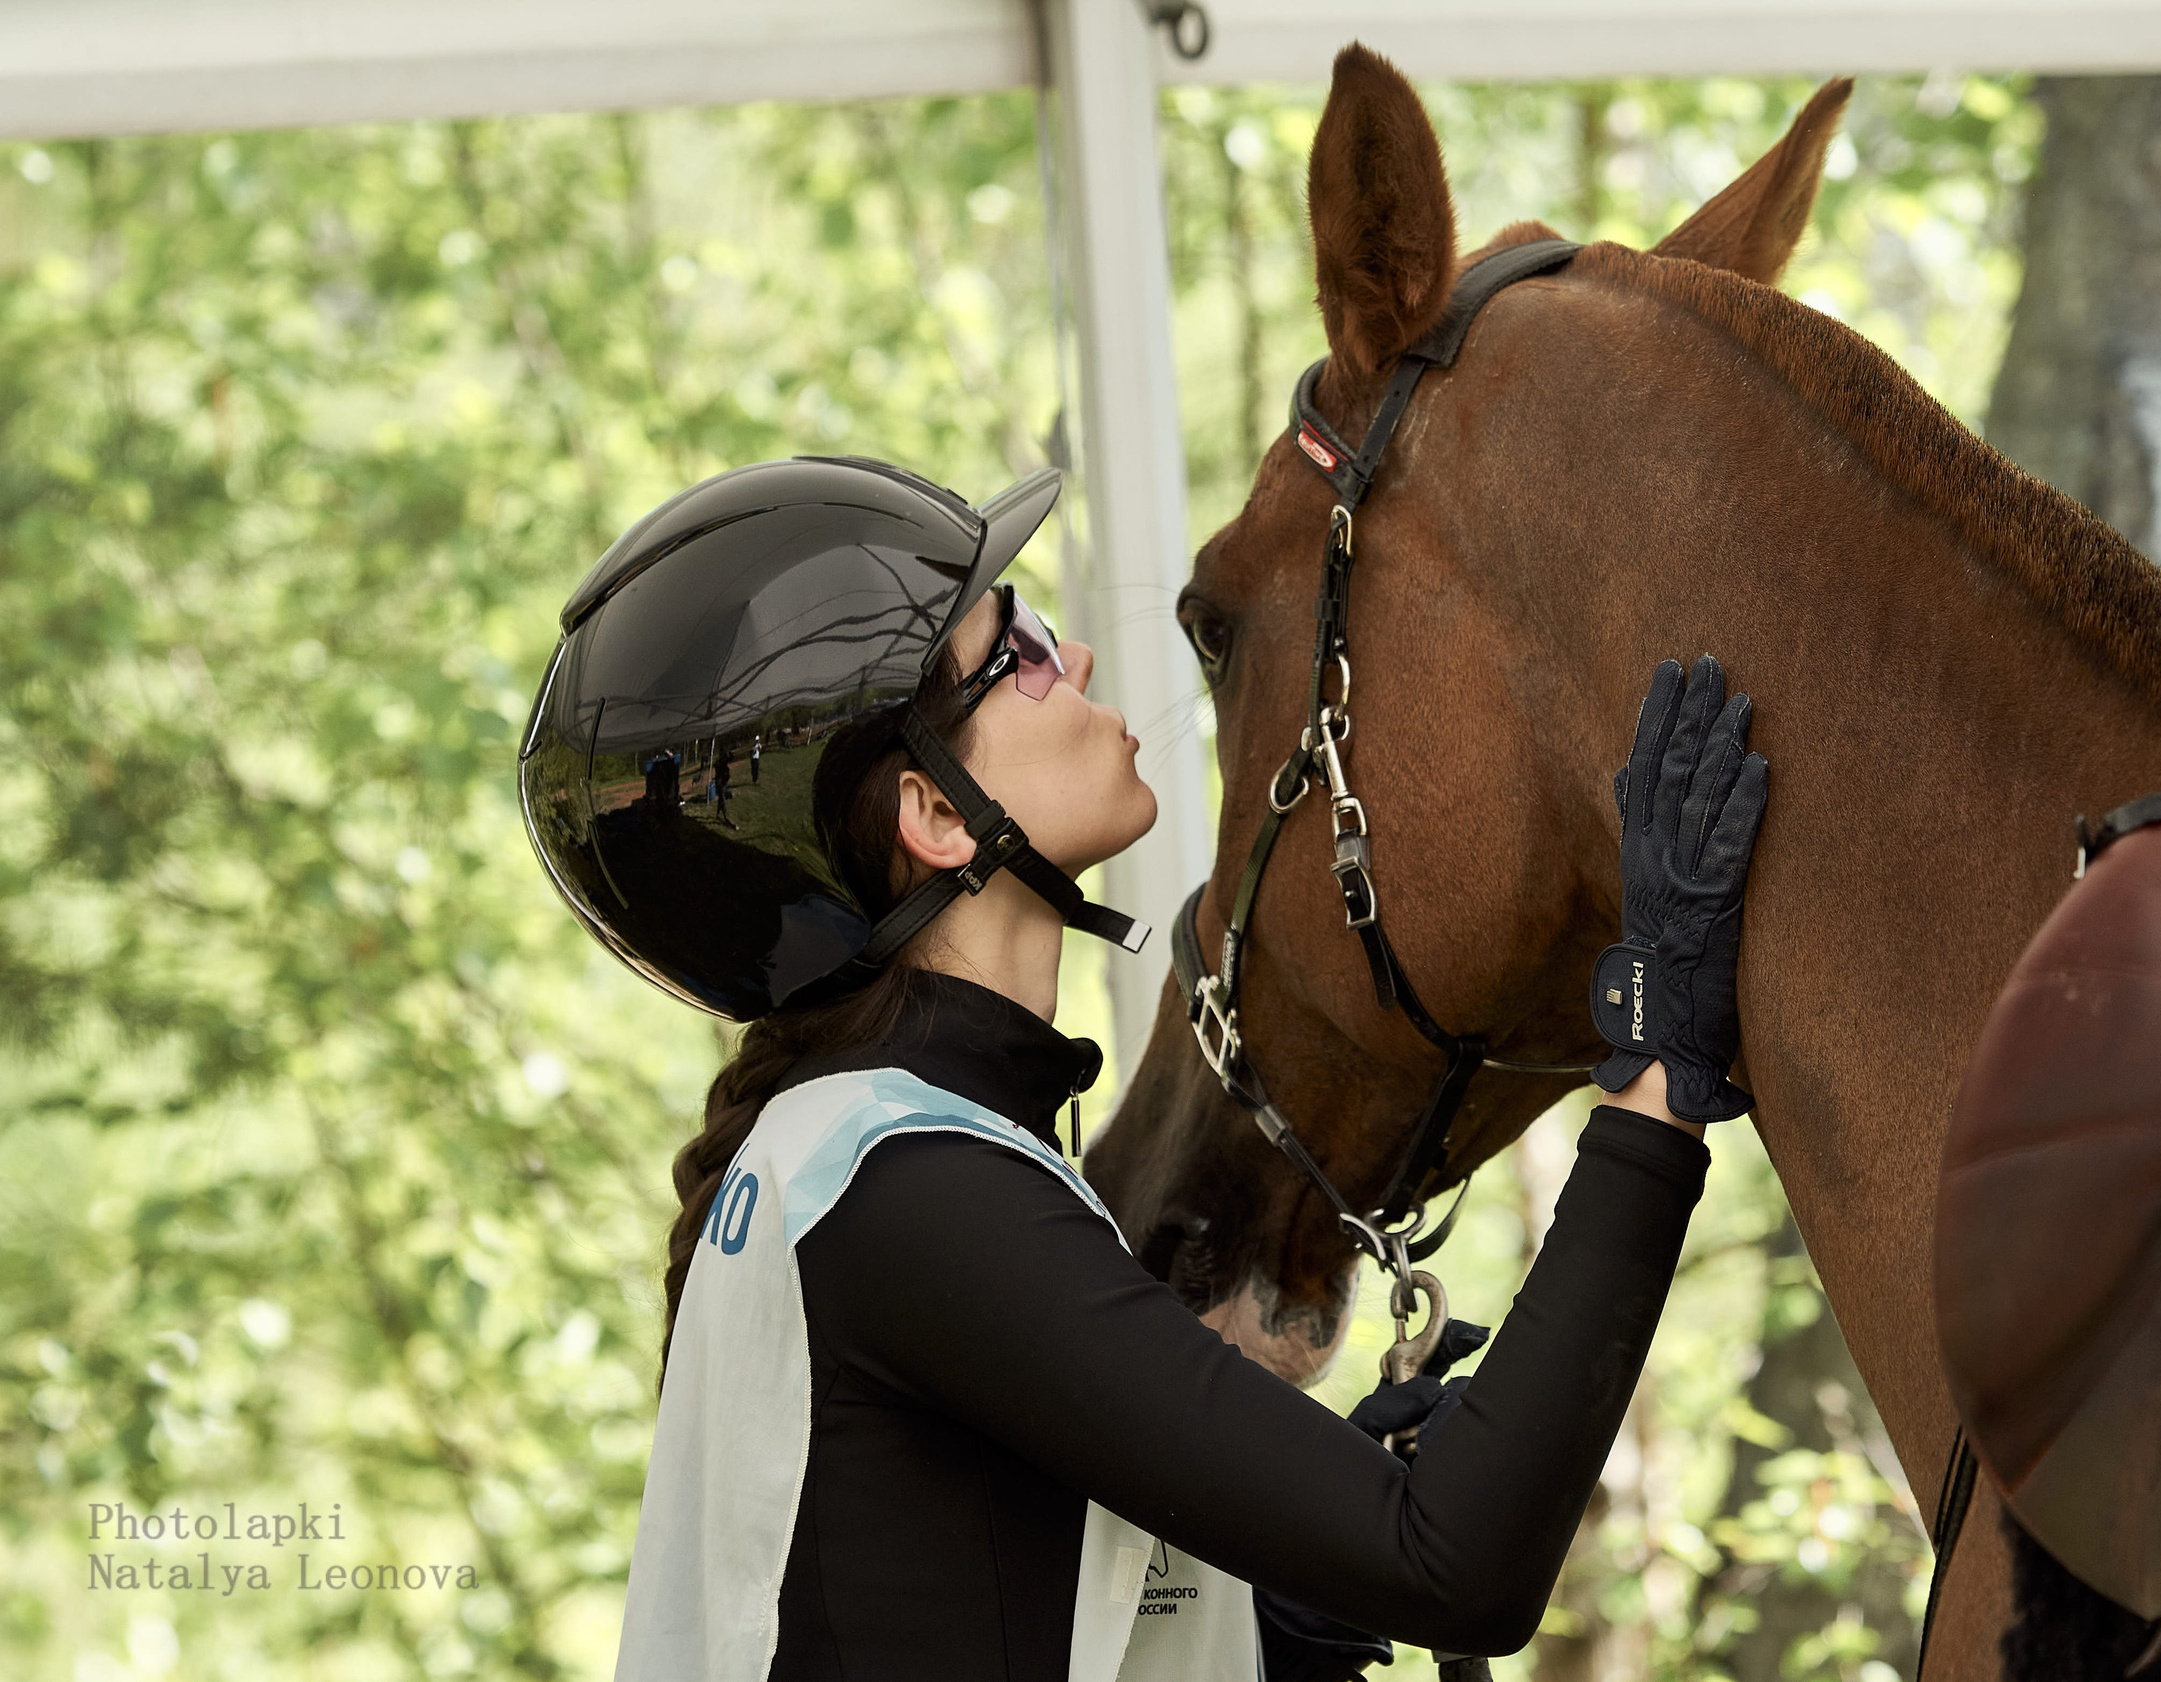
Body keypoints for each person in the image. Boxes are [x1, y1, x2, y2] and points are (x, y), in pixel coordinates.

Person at [517, 455, 1767, 1682]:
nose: (1080, 665)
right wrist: (1661, 1082)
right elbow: (1456, 1566)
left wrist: (1268, 1613)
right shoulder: (908, 1187)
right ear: (937, 817)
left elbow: (957, 1601)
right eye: (1018, 653)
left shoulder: (855, 1162)